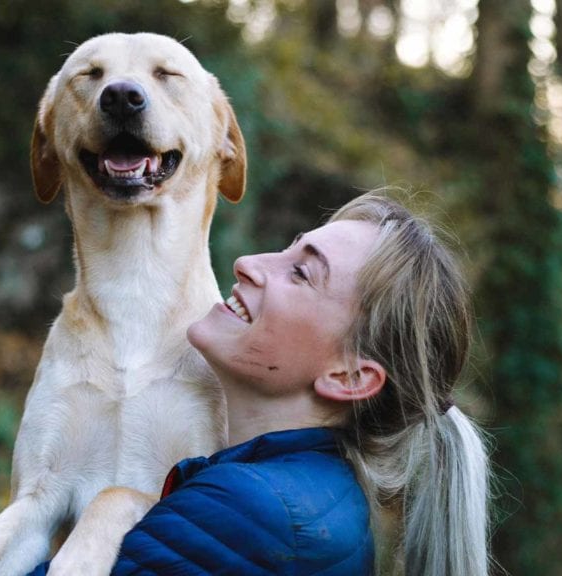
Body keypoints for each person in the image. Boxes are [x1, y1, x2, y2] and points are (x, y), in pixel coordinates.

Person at [29, 193, 489, 576]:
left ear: (348, 377)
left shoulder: (250, 512)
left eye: (301, 273)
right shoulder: (309, 497)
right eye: (290, 248)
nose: (248, 263)